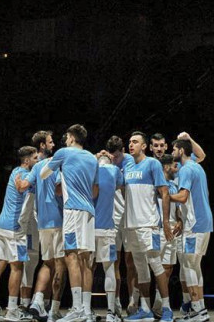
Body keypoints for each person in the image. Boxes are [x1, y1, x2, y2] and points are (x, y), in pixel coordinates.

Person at [40, 125, 99, 322]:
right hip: (90, 212)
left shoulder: (63, 153)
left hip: (72, 210)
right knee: (85, 260)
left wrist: (56, 166)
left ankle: (76, 309)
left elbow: (43, 174)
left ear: (72, 137)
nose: (64, 140)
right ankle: (86, 309)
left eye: (66, 136)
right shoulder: (92, 158)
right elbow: (95, 190)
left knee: (71, 256)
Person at [0, 147, 39, 322]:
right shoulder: (25, 176)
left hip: (1, 225)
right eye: (35, 158)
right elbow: (24, 192)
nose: (37, 161)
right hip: (15, 228)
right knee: (17, 267)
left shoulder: (15, 171)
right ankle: (13, 309)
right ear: (27, 160)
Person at [122, 132, 173, 322]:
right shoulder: (127, 165)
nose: (131, 144)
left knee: (156, 265)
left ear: (144, 146)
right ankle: (145, 309)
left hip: (148, 224)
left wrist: (166, 222)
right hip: (131, 225)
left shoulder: (152, 164)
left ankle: (166, 308)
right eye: (130, 141)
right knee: (140, 268)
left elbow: (165, 193)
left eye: (135, 142)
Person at [19, 131, 67, 322]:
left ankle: (39, 302)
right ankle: (54, 308)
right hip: (59, 219)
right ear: (42, 146)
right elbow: (58, 189)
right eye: (50, 142)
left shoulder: (36, 166)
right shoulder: (55, 165)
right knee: (60, 265)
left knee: (48, 263)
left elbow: (23, 186)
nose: (53, 144)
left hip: (42, 222)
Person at [169, 140, 213, 322]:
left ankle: (196, 309)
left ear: (181, 150)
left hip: (194, 225)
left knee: (188, 265)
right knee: (195, 265)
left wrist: (164, 195)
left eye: (174, 149)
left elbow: (183, 196)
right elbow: (201, 153)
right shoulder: (195, 166)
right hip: (204, 222)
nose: (172, 152)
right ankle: (200, 310)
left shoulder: (187, 169)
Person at [93, 155, 125, 322]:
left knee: (85, 269)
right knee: (109, 268)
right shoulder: (114, 170)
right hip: (107, 227)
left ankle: (84, 310)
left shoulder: (90, 168)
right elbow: (121, 185)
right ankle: (111, 312)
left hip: (88, 227)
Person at [152, 154, 182, 316]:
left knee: (168, 267)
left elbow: (176, 207)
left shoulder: (173, 185)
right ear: (166, 167)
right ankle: (160, 305)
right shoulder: (156, 184)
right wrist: (163, 225)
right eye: (173, 166)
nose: (176, 169)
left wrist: (179, 220)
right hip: (159, 228)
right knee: (157, 267)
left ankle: (158, 305)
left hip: (172, 229)